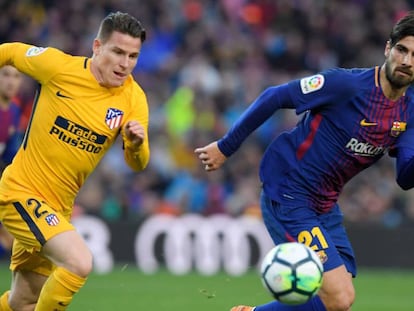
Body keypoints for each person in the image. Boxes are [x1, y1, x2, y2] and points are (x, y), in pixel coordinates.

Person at [195, 11, 414, 311]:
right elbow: (274, 96)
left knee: (340, 298)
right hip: (289, 192)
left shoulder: (409, 112)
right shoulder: (346, 85)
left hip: (325, 205)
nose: (407, 61)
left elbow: (405, 176)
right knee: (337, 297)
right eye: (402, 50)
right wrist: (225, 147)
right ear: (388, 48)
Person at [0, 11, 149, 311]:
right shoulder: (58, 67)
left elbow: (138, 164)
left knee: (23, 303)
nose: (125, 64)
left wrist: (136, 145)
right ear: (97, 47)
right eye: (118, 52)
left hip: (58, 209)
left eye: (133, 56)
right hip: (21, 191)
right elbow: (10, 51)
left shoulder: (133, 98)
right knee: (79, 262)